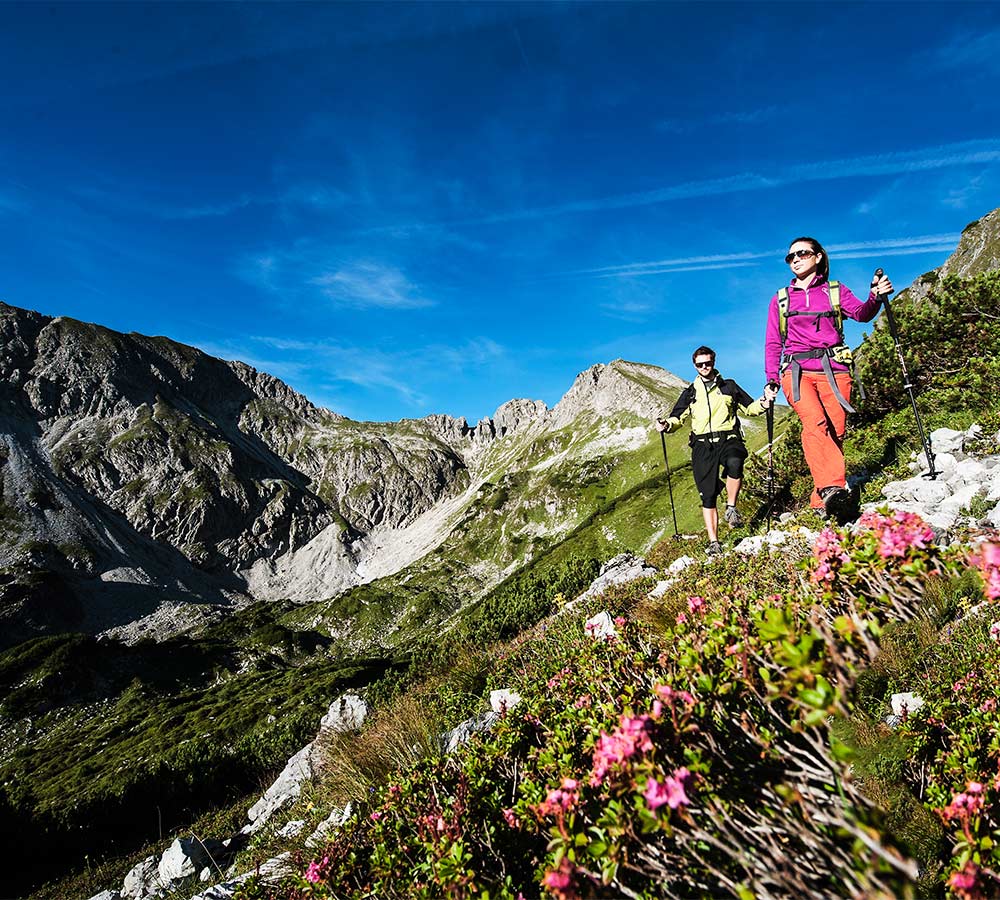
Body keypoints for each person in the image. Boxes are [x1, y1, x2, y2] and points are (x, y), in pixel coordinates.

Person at [764, 236, 892, 520]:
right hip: (796, 371)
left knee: (836, 431)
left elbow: (861, 314)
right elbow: (773, 342)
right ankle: (834, 489)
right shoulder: (781, 298)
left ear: (818, 257)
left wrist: (875, 297)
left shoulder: (835, 291)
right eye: (790, 257)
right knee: (815, 423)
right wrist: (771, 378)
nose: (794, 259)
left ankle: (820, 496)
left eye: (801, 254)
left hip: (835, 369)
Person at [656, 346, 778, 556]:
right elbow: (677, 418)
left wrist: (765, 403)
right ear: (694, 366)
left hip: (728, 437)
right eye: (700, 364)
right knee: (708, 495)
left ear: (714, 362)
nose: (704, 367)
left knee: (735, 462)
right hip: (702, 445)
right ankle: (714, 542)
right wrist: (666, 425)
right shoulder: (690, 393)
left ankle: (731, 507)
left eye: (708, 363)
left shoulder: (729, 386)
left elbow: (749, 408)